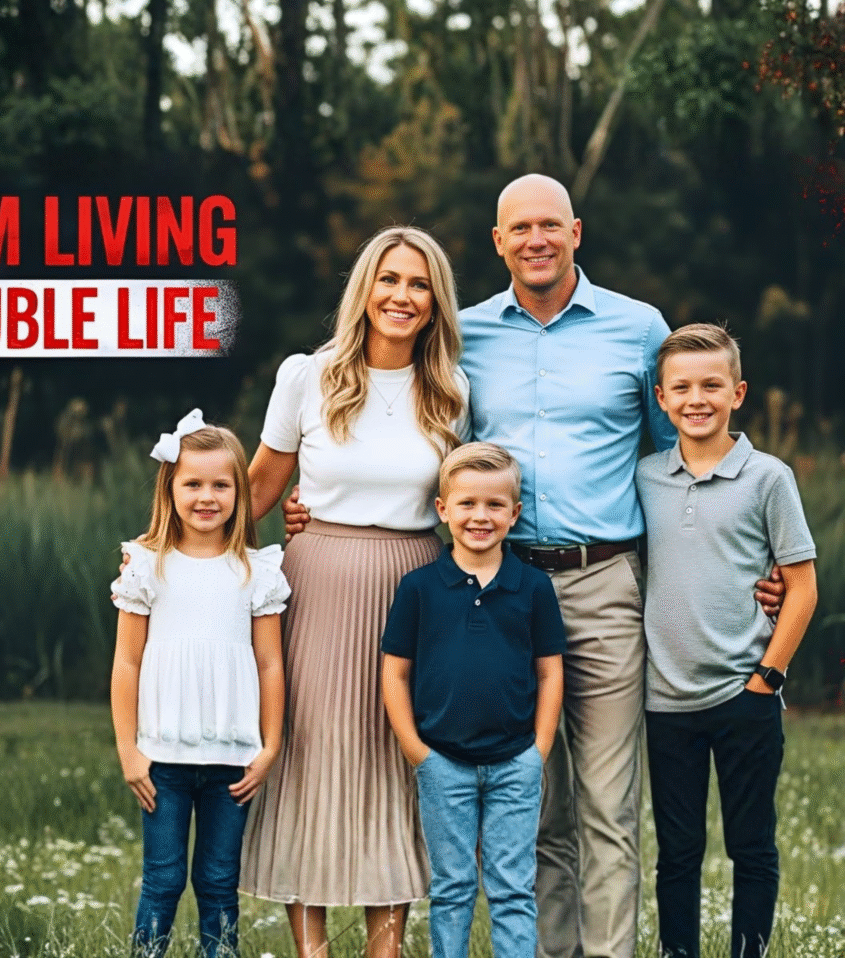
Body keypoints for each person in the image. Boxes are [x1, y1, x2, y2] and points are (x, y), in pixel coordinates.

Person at [281, 175, 785, 958]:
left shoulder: (637, 329)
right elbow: (426, 455)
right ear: (498, 242)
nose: (536, 240)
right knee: (535, 803)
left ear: (576, 232)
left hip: (607, 583)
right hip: (502, 591)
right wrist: (313, 504)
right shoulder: (465, 341)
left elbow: (676, 457)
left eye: (550, 225)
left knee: (609, 807)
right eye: (520, 229)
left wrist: (739, 561)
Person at [240, 226, 470, 958]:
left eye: (419, 284)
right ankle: (311, 947)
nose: (403, 296)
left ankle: (387, 943)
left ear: (436, 303)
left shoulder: (454, 389)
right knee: (313, 755)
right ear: (364, 290)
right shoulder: (308, 375)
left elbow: (474, 499)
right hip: (319, 582)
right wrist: (169, 551)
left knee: (396, 759)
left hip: (417, 587)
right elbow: (255, 493)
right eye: (389, 280)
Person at [636, 324, 818, 958]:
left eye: (712, 385)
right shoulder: (645, 478)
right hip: (666, 701)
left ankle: (750, 951)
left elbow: (801, 588)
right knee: (678, 850)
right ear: (660, 398)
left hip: (745, 692)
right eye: (681, 387)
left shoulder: (769, 478)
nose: (697, 398)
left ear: (737, 392)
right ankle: (677, 951)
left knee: (752, 844)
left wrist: (767, 677)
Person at [109, 409, 289, 958]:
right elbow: (127, 663)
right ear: (171, 488)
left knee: (217, 884)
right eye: (192, 483)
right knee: (163, 882)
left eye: (220, 484)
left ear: (239, 490)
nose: (206, 496)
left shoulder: (257, 571)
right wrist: (128, 750)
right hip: (160, 761)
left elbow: (270, 665)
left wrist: (270, 745)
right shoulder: (146, 565)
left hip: (233, 763)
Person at [381, 443, 565, 958]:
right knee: (453, 888)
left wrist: (539, 750)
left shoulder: (532, 587)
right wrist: (418, 752)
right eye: (466, 504)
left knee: (511, 889)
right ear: (442, 510)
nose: (480, 517)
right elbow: (394, 673)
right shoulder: (419, 588)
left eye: (494, 505)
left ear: (515, 514)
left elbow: (550, 672)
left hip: (515, 764)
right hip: (444, 764)